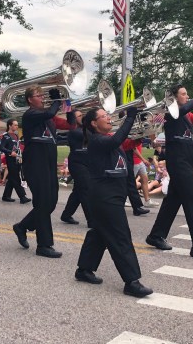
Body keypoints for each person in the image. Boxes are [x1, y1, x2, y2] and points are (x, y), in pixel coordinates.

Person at [74, 107, 153, 297]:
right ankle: (131, 281)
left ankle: (84, 270)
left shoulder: (108, 139)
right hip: (104, 196)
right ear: (94, 123)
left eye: (108, 115)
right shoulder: (97, 140)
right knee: (120, 236)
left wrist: (139, 125)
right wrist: (130, 117)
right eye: (104, 116)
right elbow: (116, 140)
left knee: (100, 233)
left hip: (113, 194)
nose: (109, 118)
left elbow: (125, 143)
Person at [146, 84, 193, 261]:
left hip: (185, 161)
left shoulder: (186, 115)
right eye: (184, 94)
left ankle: (156, 235)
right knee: (192, 201)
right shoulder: (169, 112)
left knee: (173, 200)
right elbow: (184, 108)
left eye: (187, 94)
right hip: (177, 161)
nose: (187, 96)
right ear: (174, 97)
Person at [12, 86, 74, 259]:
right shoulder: (30, 115)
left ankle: (22, 226)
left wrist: (68, 103)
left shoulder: (50, 119)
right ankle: (44, 245)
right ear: (30, 100)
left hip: (48, 163)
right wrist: (56, 100)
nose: (41, 98)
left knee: (51, 202)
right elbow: (48, 112)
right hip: (34, 163)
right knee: (43, 203)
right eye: (38, 96)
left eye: (42, 95)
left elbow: (71, 124)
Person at [60, 109, 91, 225]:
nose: (81, 117)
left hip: (85, 162)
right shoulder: (74, 130)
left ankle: (66, 215)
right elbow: (89, 135)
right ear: (73, 118)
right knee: (85, 190)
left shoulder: (85, 129)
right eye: (79, 116)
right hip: (77, 163)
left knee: (78, 191)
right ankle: (91, 220)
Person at [0, 119, 30, 203]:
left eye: (17, 125)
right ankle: (22, 197)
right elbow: (1, 147)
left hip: (17, 158)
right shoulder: (6, 136)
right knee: (15, 178)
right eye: (15, 125)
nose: (17, 126)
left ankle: (6, 196)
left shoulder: (16, 135)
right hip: (10, 159)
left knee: (12, 178)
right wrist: (10, 152)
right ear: (10, 125)